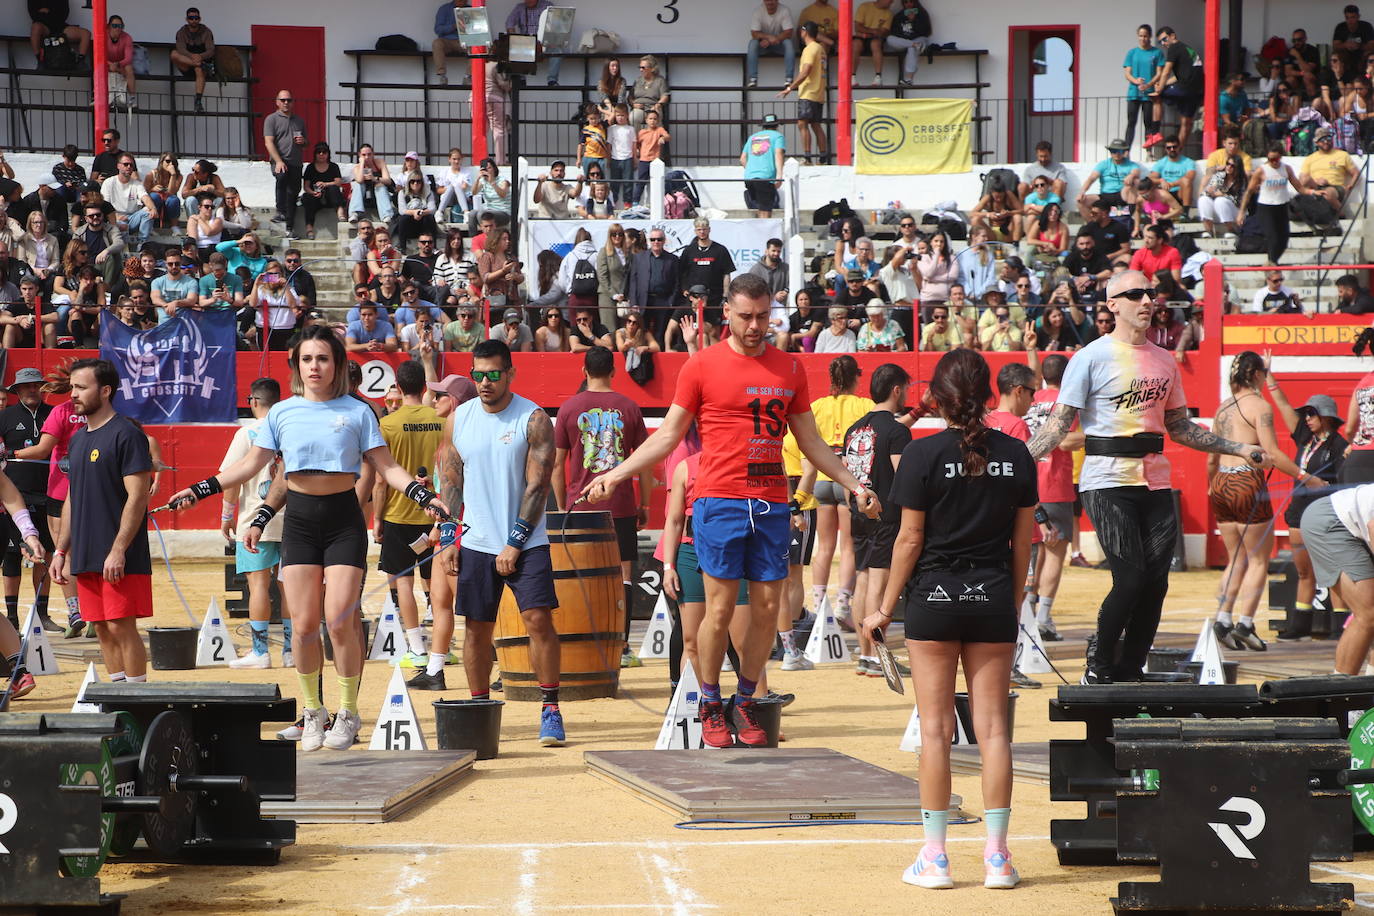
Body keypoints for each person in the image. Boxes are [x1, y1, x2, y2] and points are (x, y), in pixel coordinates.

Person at [586, 274, 879, 748]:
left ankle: (744, 699)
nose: (755, 326)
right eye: (745, 316)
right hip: (719, 500)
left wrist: (852, 482)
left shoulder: (789, 368)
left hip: (771, 505)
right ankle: (707, 700)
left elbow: (810, 442)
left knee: (767, 609)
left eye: (763, 316)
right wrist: (616, 474)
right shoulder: (701, 365)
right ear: (727, 312)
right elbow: (667, 436)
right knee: (719, 609)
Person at [169, 326, 448, 751]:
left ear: (336, 364)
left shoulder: (358, 412)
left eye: (322, 359)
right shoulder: (282, 413)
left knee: (338, 620)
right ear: (297, 365)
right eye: (307, 359)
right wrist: (198, 490)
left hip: (343, 522)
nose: (315, 366)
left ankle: (349, 711)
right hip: (299, 522)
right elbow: (250, 466)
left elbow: (387, 467)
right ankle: (313, 710)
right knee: (301, 627)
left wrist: (425, 497)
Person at [1027, 271, 1271, 684]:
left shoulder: (1164, 360)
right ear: (1112, 305)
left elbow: (1179, 427)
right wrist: (1015, 460)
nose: (1147, 300)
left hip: (1155, 482)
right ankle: (1098, 666)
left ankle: (1130, 668)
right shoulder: (1089, 357)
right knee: (1130, 578)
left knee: (1156, 583)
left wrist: (1238, 448)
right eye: (1135, 294)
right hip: (1105, 481)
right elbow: (1057, 426)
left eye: (1151, 293)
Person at [863, 347, 1036, 891]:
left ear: (936, 398)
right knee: (993, 733)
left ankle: (935, 858)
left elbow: (909, 539)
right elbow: (1024, 542)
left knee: (935, 732)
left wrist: (884, 608)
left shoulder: (920, 453)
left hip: (933, 597)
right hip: (992, 596)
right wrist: (1010, 601)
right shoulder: (1017, 453)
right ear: (988, 395)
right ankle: (998, 858)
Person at [434, 339, 565, 744]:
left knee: (538, 621)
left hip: (526, 542)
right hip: (475, 540)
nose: (485, 382)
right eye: (478, 374)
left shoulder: (534, 418)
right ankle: (478, 706)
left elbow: (538, 488)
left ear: (510, 373)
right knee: (476, 628)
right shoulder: (459, 419)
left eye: (493, 374)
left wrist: (514, 543)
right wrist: (449, 537)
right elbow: (452, 481)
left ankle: (550, 708)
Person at [49, 359, 150, 684]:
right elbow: (72, 498)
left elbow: (137, 496)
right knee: (103, 628)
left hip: (120, 552)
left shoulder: (127, 434)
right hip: (85, 552)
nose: (73, 395)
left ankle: (139, 703)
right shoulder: (77, 440)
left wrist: (119, 549)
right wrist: (61, 551)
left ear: (105, 391)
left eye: (81, 388)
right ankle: (118, 698)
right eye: (72, 388)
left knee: (122, 624)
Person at [552, 346, 651, 666]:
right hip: (620, 505)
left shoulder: (568, 408)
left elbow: (557, 466)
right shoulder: (629, 407)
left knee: (581, 576)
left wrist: (559, 508)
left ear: (584, 371)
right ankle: (621, 647)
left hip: (580, 506)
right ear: (614, 371)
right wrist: (645, 503)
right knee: (622, 574)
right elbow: (644, 463)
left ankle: (584, 642)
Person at [1204, 351, 1307, 653]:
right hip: (1246, 480)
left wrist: (1213, 486)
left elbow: (1211, 457)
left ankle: (1222, 619)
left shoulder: (1222, 408)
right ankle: (1246, 624)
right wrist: (1306, 476)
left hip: (1221, 481)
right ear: (1258, 375)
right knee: (1259, 559)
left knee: (1235, 558)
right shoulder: (1259, 406)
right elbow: (1271, 454)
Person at [372, 360, 447, 671]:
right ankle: (442, 647)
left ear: (398, 388)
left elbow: (380, 479)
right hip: (437, 514)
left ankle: (416, 647)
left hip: (399, 514)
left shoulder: (388, 424)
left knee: (403, 582)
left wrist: (376, 519)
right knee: (438, 583)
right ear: (425, 388)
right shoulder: (443, 421)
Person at [1265, 365, 1347, 641]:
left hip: (1325, 516)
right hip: (1298, 513)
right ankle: (1300, 626)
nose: (1306, 418)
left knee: (1332, 572)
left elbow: (1344, 482)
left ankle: (1339, 627)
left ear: (1325, 417)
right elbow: (1284, 405)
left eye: (1311, 414)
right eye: (1306, 414)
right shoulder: (1305, 438)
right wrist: (1270, 378)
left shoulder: (1338, 445)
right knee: (1303, 571)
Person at [840, 363, 912, 677]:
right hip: (885, 514)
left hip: (858, 511)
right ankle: (875, 656)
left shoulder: (855, 429)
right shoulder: (897, 431)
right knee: (878, 584)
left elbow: (847, 476)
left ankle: (865, 653)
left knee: (863, 581)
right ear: (897, 390)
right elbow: (905, 478)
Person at [408, 373, 478, 689]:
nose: (434, 400)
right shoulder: (450, 438)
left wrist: (445, 529)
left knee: (471, 606)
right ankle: (435, 670)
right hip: (450, 530)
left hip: (461, 533)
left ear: (456, 401)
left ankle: (506, 666)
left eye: (441, 395)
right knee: (440, 601)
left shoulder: (461, 439)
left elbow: (462, 495)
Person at [222, 378, 291, 669]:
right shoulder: (289, 429)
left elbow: (232, 476)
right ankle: (292, 650)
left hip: (254, 518)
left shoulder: (247, 433)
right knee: (290, 587)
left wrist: (227, 514)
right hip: (290, 518)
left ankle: (260, 651)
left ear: (253, 401)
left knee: (258, 586)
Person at [1022, 354, 1082, 642]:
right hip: (1055, 483)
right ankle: (1044, 618)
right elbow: (1067, 440)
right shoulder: (1066, 400)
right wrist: (1093, 436)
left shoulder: (1031, 399)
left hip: (1030, 482)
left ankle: (1030, 612)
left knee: (1037, 553)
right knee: (1056, 552)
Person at [0, 368, 57, 633]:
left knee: (44, 552)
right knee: (12, 558)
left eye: (36, 386)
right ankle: (11, 618)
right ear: (17, 391)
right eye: (26, 386)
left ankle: (42, 614)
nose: (32, 390)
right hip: (15, 493)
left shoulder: (53, 414)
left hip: (49, 492)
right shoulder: (6, 416)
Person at [1240, 143, 1305, 265]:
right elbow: (1249, 192)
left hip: (1281, 205)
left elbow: (1299, 187)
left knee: (1284, 239)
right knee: (1273, 237)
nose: (1273, 162)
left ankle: (1271, 263)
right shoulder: (1261, 170)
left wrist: (1313, 192)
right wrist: (1241, 212)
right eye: (1270, 159)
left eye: (1276, 159)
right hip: (1266, 207)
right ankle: (1272, 265)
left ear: (1280, 157)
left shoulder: (1286, 168)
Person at [778, 22, 829, 162]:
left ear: (804, 32)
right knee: (816, 124)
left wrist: (790, 88)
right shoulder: (821, 48)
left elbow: (805, 71)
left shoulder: (810, 49)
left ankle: (807, 158)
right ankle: (823, 157)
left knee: (802, 123)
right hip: (818, 93)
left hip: (808, 92)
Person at [1155, 26, 1203, 151]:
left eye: (1164, 39)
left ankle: (1155, 131)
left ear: (1173, 36)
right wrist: (1163, 84)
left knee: (1155, 95)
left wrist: (1159, 88)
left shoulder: (1174, 47)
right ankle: (1178, 152)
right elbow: (1178, 77)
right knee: (1186, 123)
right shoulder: (1187, 49)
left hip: (1185, 88)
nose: (1164, 44)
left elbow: (1166, 71)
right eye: (1160, 42)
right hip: (1196, 91)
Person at [1077, 139, 1141, 221]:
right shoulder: (1103, 164)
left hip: (1122, 194)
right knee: (1080, 201)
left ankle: (1131, 218)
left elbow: (1136, 172)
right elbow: (1091, 179)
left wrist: (1131, 175)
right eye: (1113, 151)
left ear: (1125, 152)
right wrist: (1081, 192)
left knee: (1135, 181)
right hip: (1105, 195)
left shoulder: (1131, 164)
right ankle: (1093, 225)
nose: (1117, 154)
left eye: (1120, 151)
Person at [1123, 24, 1164, 149]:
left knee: (1148, 124)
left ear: (1150, 36)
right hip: (1134, 93)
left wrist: (1148, 85)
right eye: (1140, 36)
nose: (1143, 38)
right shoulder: (1132, 53)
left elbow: (1159, 73)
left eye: (1145, 36)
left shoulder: (1157, 53)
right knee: (1131, 123)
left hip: (1149, 94)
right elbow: (1127, 73)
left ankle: (1149, 152)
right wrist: (1136, 81)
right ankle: (1126, 151)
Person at [1302, 127, 1359, 211]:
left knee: (1327, 193)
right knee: (1304, 179)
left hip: (1336, 187)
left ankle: (1341, 213)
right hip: (1316, 186)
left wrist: (1350, 186)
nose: (1326, 142)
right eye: (1322, 139)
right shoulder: (1310, 158)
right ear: (1317, 142)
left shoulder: (1342, 155)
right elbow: (1303, 178)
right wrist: (1316, 181)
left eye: (1328, 138)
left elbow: (1355, 173)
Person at [741, 114, 786, 218]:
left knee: (760, 209)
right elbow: (779, 153)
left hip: (749, 177)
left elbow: (742, 159)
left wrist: (752, 170)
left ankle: (760, 232)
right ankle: (764, 233)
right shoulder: (778, 136)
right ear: (776, 126)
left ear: (763, 126)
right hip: (766, 177)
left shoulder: (752, 137)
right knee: (766, 211)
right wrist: (779, 176)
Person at [171, 7, 215, 111]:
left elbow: (211, 50)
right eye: (191, 18)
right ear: (187, 19)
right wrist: (193, 57)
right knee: (173, 54)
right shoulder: (181, 32)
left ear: (200, 19)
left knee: (199, 70)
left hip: (203, 62)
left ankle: (198, 101)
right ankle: (200, 64)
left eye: (196, 17)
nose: (194, 20)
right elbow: (180, 49)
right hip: (189, 63)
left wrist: (200, 56)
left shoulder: (206, 31)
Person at [746, 0, 796, 88]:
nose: (769, 2)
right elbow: (754, 33)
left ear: (777, 0)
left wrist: (773, 39)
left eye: (772, 0)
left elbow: (789, 32)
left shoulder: (784, 10)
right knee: (752, 43)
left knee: (788, 43)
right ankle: (753, 79)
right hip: (763, 45)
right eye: (767, 0)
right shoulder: (758, 11)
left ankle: (789, 79)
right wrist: (768, 37)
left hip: (779, 44)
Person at [1198, 154, 1246, 238]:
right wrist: (1210, 192)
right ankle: (1208, 230)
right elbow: (1206, 192)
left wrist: (1223, 195)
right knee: (1203, 199)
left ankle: (1231, 230)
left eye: (1232, 166)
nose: (1229, 167)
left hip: (1236, 211)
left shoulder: (1242, 180)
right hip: (1219, 209)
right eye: (1227, 164)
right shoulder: (1219, 176)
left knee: (1220, 201)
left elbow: (1240, 201)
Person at [349, 144, 395, 224]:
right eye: (364, 155)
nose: (367, 157)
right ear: (359, 155)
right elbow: (359, 180)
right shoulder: (357, 167)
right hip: (364, 197)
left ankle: (386, 215)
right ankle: (354, 213)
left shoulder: (380, 162)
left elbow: (388, 180)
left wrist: (375, 179)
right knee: (358, 185)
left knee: (380, 186)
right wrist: (362, 164)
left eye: (369, 154)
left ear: (373, 154)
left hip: (379, 195)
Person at [1149, 136, 1198, 211]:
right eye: (1169, 148)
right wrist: (1161, 181)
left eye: (1174, 147)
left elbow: (1190, 176)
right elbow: (1150, 178)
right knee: (1145, 184)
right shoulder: (1161, 163)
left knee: (1186, 181)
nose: (1172, 149)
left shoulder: (1188, 162)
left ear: (1179, 147)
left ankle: (1185, 213)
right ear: (1165, 149)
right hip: (1165, 193)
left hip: (1180, 193)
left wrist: (1172, 184)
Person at [432, 0, 468, 86]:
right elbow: (438, 29)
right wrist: (453, 26)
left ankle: (468, 76)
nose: (462, 2)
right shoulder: (444, 9)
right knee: (437, 43)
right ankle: (442, 75)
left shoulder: (470, 9)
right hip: (447, 41)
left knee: (478, 47)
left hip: (465, 41)